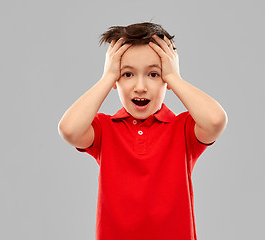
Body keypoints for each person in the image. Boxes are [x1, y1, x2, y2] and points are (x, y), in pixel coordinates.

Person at [58, 22, 227, 240]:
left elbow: (215, 121)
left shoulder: (183, 129)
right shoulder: (105, 129)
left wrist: (175, 78)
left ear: (165, 79)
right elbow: (69, 130)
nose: (140, 86)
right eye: (127, 74)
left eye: (154, 74)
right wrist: (107, 77)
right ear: (116, 80)